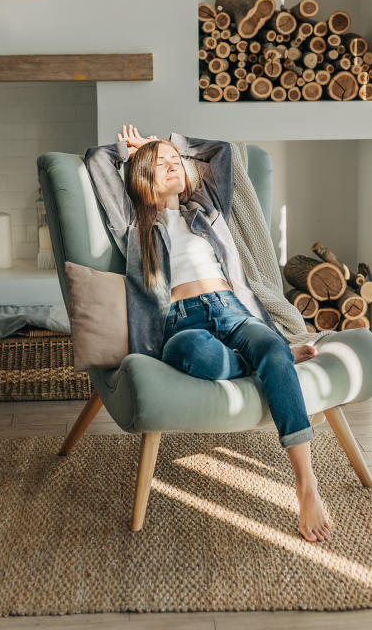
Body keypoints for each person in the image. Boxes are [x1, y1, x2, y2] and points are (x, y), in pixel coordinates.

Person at [84, 125, 332, 542]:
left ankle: (306, 485)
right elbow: (96, 161)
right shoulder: (132, 223)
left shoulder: (206, 207)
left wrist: (166, 144)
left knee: (269, 346)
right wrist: (135, 151)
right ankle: (268, 362)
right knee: (195, 354)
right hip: (181, 322)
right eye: (160, 163)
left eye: (175, 160)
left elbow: (222, 151)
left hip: (232, 311)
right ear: (141, 176)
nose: (172, 165)